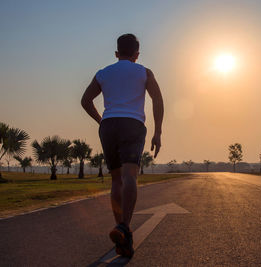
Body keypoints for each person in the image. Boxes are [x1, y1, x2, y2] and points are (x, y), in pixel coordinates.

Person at [81, 34, 164, 258]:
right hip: (132, 124)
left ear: (116, 53)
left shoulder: (103, 73)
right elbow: (157, 99)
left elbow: (85, 100)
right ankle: (125, 226)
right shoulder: (144, 72)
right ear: (137, 54)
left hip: (109, 125)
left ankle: (122, 232)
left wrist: (102, 120)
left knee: (116, 179)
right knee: (130, 177)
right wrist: (157, 132)